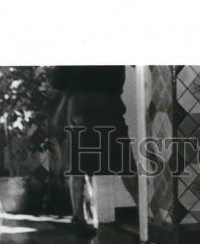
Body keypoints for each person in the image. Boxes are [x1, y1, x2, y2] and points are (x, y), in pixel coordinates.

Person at [47, 66, 136, 235]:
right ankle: (144, 214)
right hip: (110, 107)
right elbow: (120, 80)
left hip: (79, 109)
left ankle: (78, 218)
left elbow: (56, 80)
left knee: (77, 166)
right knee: (125, 165)